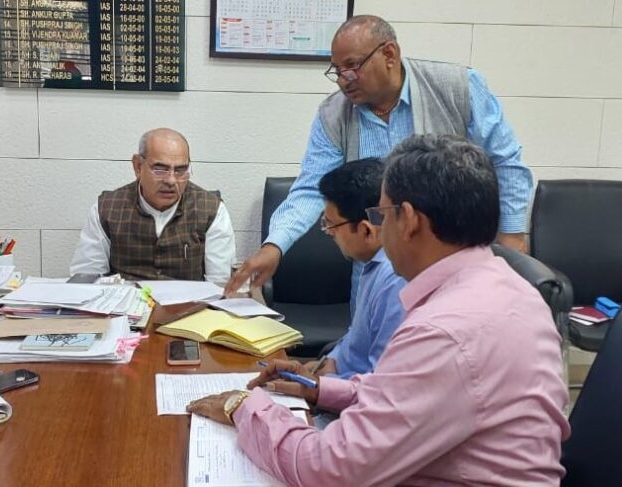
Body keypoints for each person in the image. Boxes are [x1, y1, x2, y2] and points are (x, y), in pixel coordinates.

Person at [189, 134, 569, 485]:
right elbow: (405, 392)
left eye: (382, 214)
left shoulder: (444, 330)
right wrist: (323, 390)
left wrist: (244, 407)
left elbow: (329, 469)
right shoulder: (511, 290)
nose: (378, 230)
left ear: (410, 220)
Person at [227, 15, 533, 297]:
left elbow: (506, 162)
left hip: (446, 261)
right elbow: (312, 187)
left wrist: (512, 237)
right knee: (370, 339)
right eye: (336, 70)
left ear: (389, 54)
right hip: (373, 268)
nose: (343, 79)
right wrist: (274, 245)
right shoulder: (333, 114)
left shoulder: (457, 87)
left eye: (352, 66)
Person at [70, 128, 236, 282]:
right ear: (138, 166)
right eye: (160, 169)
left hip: (190, 303)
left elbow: (220, 283)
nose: (171, 180)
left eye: (180, 170)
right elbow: (86, 278)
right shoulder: (106, 208)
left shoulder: (211, 210)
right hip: (125, 302)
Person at [309, 158, 405, 384]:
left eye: (331, 224)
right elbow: (355, 336)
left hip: (354, 397)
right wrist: (327, 363)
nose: (328, 232)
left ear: (366, 231)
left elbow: (379, 381)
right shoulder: (371, 263)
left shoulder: (395, 280)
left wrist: (323, 384)